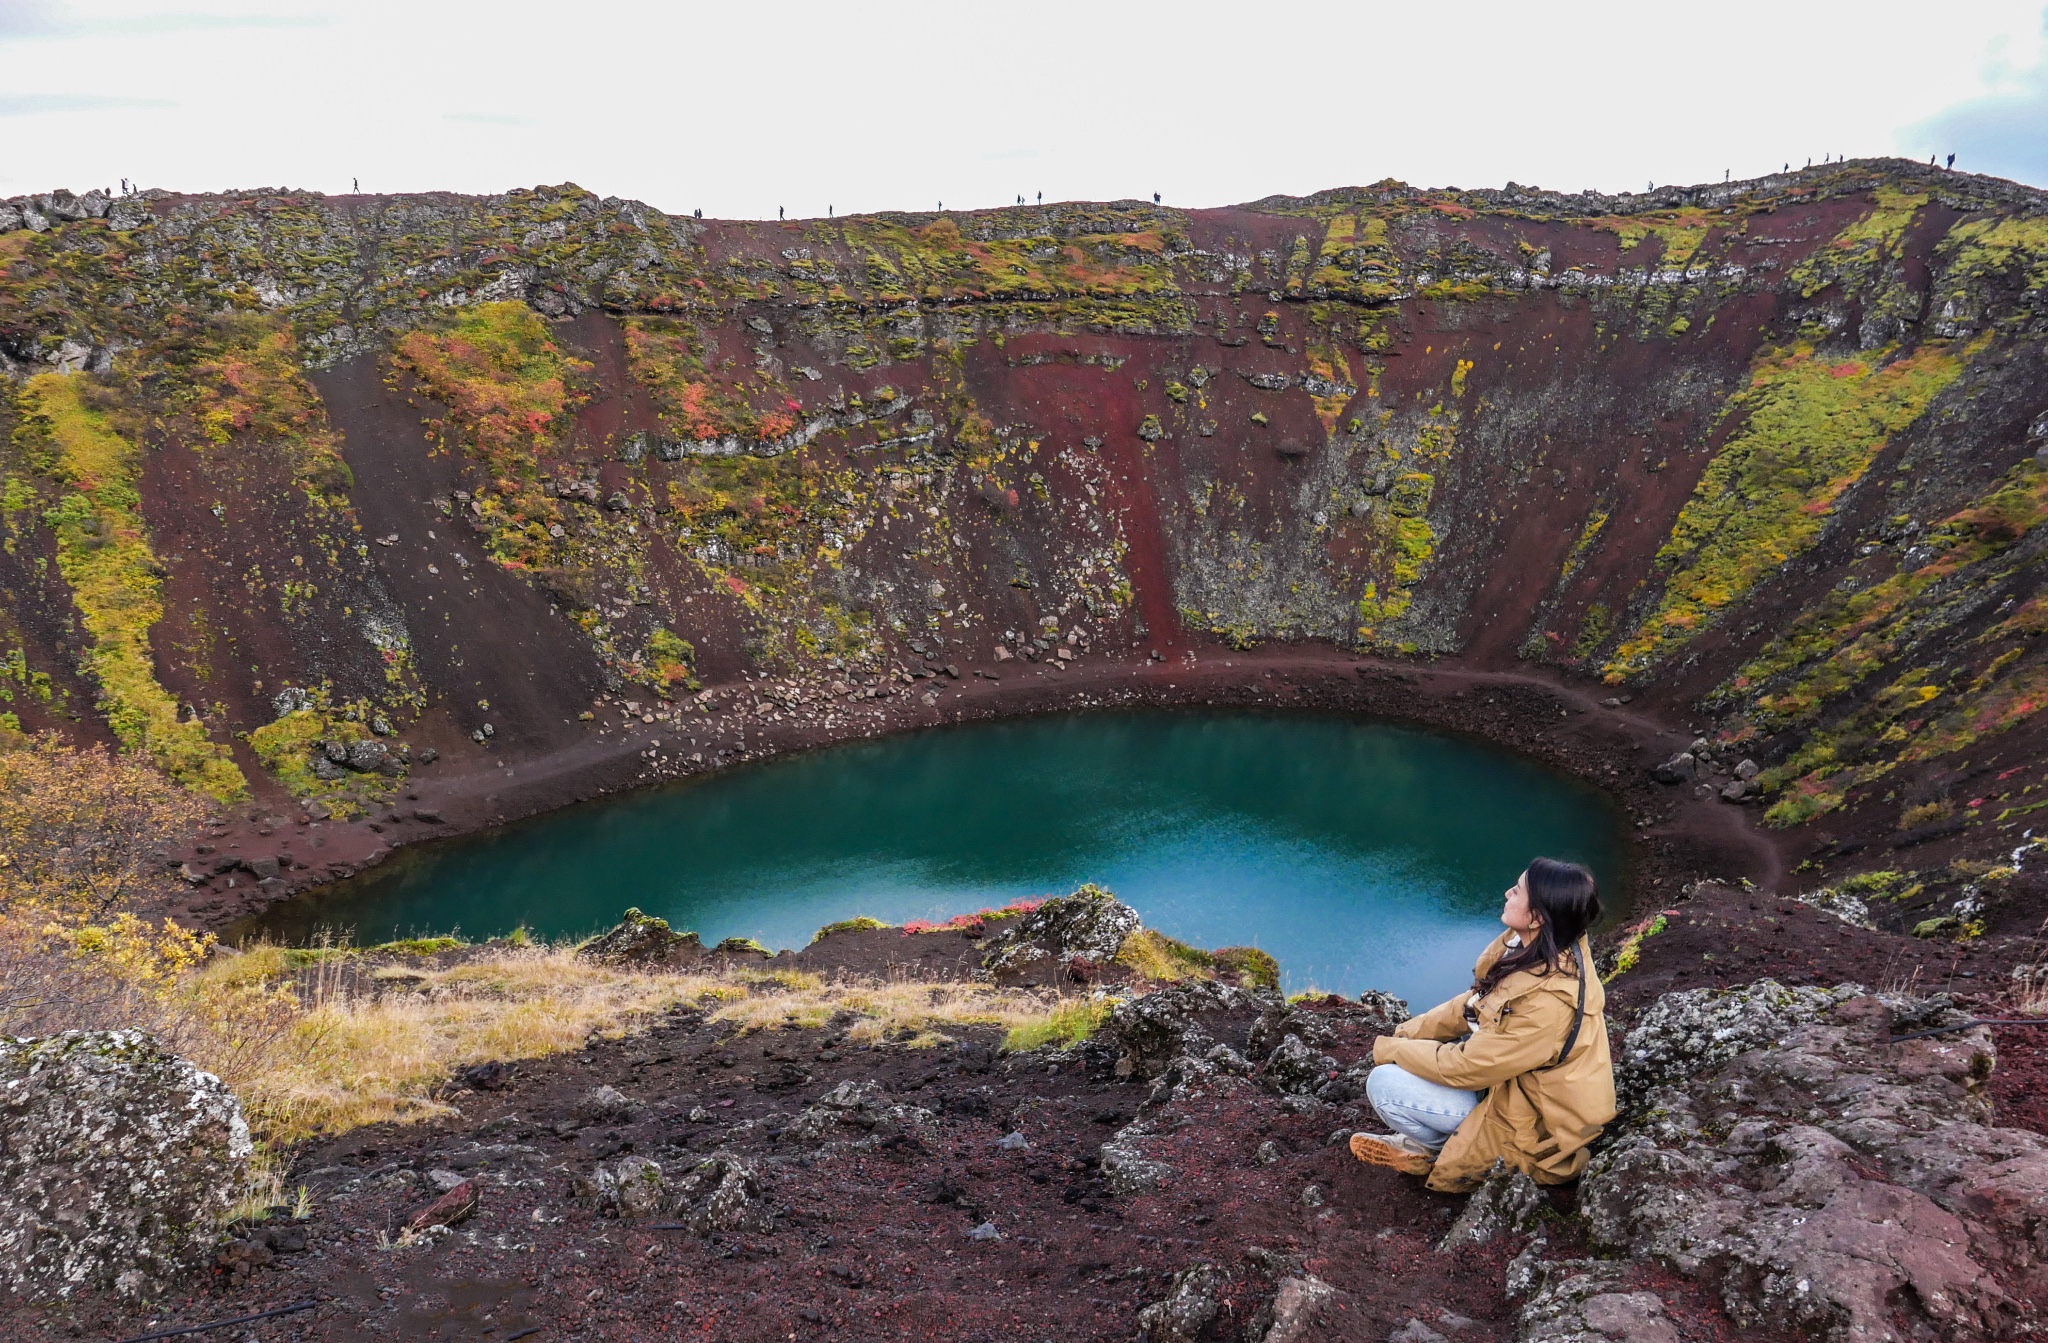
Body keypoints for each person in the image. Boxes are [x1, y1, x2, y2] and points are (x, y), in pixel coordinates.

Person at [1348, 858, 1614, 1194]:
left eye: (1517, 891)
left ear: (1538, 916)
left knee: (1385, 1083)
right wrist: (1404, 1033)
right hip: (1513, 1090)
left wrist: (1391, 1050)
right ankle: (1439, 1142)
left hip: (1541, 1133)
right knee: (1406, 1061)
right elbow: (1473, 1005)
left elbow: (1467, 1067)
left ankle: (1437, 1150)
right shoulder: (1533, 947)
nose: (1507, 893)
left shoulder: (1549, 1001)